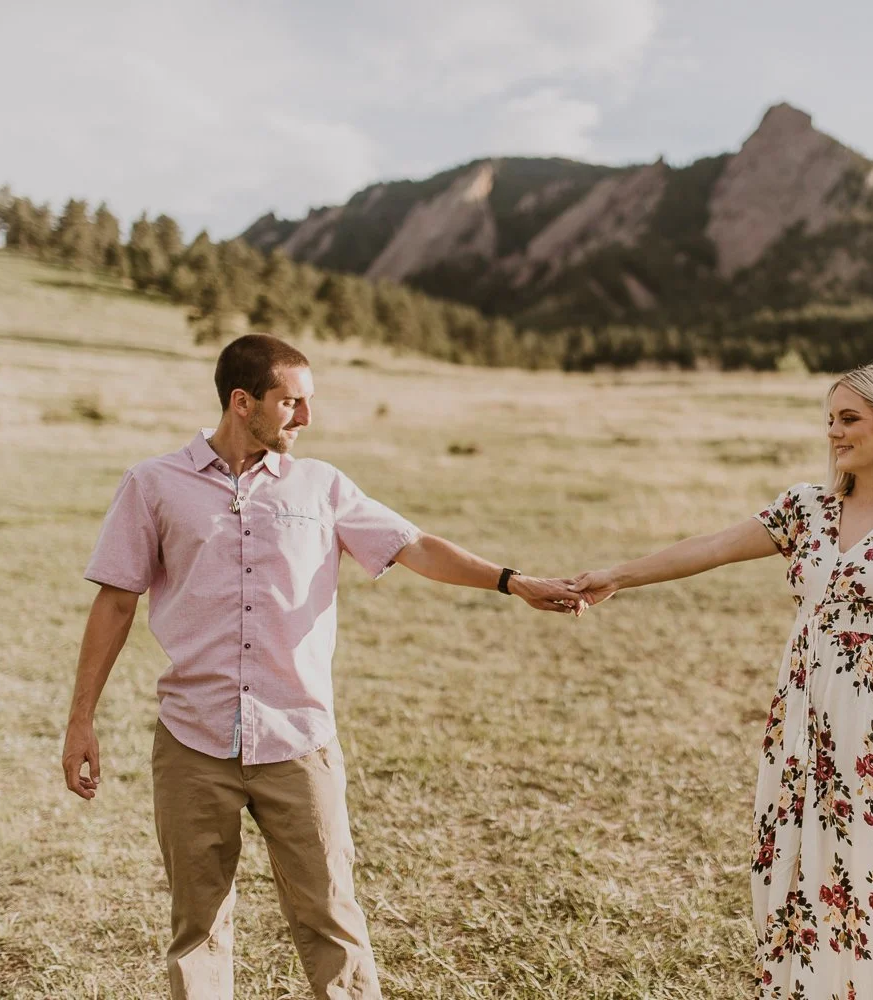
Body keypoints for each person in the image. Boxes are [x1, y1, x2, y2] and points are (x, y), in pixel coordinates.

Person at [61, 334, 583, 1000]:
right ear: (242, 401)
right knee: (198, 928)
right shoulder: (153, 484)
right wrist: (81, 720)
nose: (306, 418)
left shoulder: (322, 485)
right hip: (192, 744)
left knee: (332, 918)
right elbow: (115, 603)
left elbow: (417, 546)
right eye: (292, 402)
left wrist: (513, 581)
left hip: (299, 741)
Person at [572, 363, 873, 999]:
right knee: (804, 866)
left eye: (849, 419)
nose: (834, 432)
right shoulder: (806, 508)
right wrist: (618, 577)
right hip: (803, 718)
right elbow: (713, 547)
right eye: (830, 419)